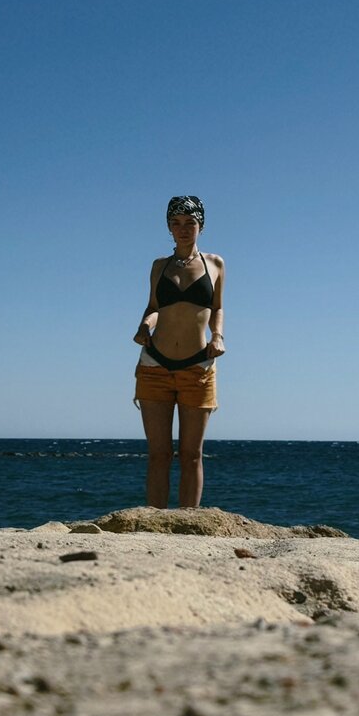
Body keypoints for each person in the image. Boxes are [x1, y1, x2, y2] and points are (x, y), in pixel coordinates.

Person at [133, 196, 225, 509]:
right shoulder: (159, 266)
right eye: (176, 223)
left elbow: (217, 307)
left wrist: (218, 335)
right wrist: (144, 326)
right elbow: (154, 307)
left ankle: (188, 524)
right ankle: (152, 525)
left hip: (198, 368)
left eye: (190, 223)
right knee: (159, 455)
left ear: (201, 226)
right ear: (169, 227)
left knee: (191, 455)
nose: (183, 229)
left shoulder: (215, 264)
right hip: (154, 366)